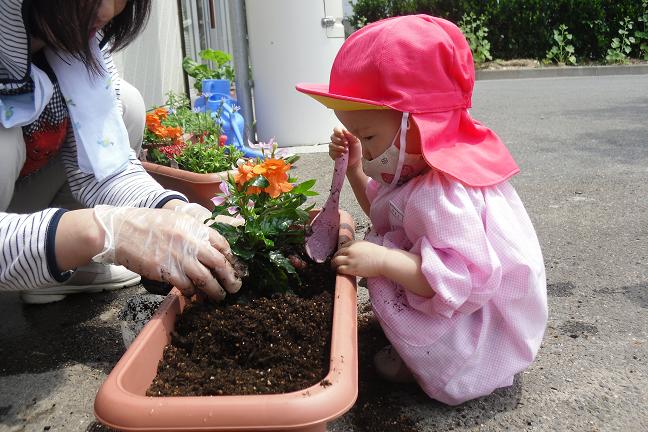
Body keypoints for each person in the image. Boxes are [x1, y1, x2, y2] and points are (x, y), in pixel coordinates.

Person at [296, 15, 547, 405]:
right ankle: (423, 344)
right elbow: (385, 212)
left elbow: (455, 283)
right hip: (463, 302)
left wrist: (383, 262)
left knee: (387, 261)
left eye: (368, 135)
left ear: (420, 126)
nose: (363, 141)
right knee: (387, 252)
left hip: (478, 330)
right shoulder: (421, 171)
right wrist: (358, 167)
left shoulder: (443, 195)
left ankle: (438, 365)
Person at [0, 0, 241, 303]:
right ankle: (54, 249)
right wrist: (104, 232)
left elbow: (106, 166)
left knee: (125, 103)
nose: (106, 12)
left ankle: (63, 267)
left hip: (20, 202)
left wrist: (176, 212)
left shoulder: (77, 40)